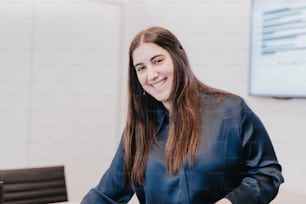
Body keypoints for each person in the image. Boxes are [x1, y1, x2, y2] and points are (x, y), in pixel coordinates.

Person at [81, 26, 284, 204]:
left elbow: (266, 174)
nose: (151, 74)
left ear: (178, 58)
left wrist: (230, 202)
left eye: (158, 61)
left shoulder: (231, 111)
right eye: (141, 68)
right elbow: (106, 195)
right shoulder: (139, 129)